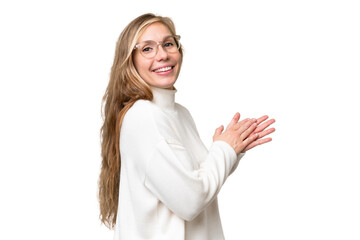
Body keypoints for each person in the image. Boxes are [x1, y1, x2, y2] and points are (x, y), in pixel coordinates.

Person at [99, 13, 275, 240]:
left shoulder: (180, 114)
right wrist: (224, 150)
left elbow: (201, 182)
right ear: (129, 60)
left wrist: (233, 148)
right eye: (147, 49)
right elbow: (190, 201)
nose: (162, 55)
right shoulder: (143, 116)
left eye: (168, 44)